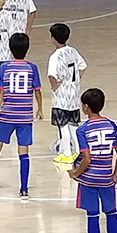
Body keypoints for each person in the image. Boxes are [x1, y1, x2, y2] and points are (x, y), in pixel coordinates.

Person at [68, 88, 117, 233]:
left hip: (88, 180)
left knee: (92, 216)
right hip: (106, 178)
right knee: (111, 213)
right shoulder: (111, 125)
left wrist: (75, 173)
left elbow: (86, 158)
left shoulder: (82, 130)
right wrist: (115, 175)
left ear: (86, 107)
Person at [0, 33, 43, 201]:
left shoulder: (5, 67)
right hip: (24, 116)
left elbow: (1, 92)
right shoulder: (32, 68)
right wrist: (40, 109)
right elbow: (37, 91)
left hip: (7, 115)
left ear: (10, 49)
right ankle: (24, 190)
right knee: (24, 152)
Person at [48, 23, 88, 164]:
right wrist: (76, 80)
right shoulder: (72, 51)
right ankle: (78, 151)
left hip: (61, 97)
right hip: (74, 95)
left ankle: (66, 153)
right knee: (73, 125)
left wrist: (55, 86)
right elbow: (83, 66)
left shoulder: (55, 56)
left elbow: (52, 75)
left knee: (63, 126)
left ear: (53, 38)